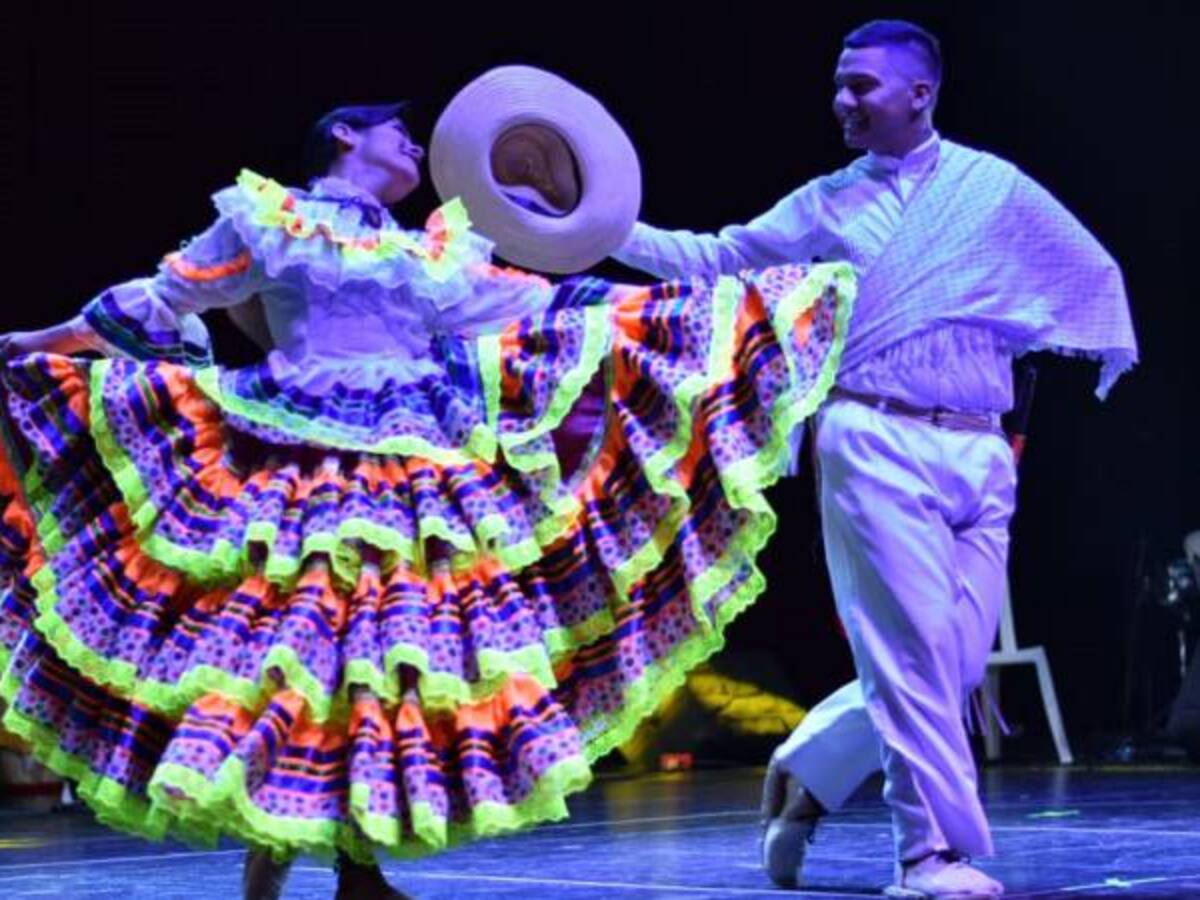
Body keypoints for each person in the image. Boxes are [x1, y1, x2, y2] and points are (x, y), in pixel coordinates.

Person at [0, 100, 853, 898]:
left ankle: (354, 869)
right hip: (304, 465)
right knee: (295, 660)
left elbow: (531, 303)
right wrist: (40, 341)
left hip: (414, 468)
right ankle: (273, 869)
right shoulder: (273, 220)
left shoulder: (428, 249)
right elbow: (167, 294)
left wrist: (683, 311)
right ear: (343, 136)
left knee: (382, 665)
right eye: (396, 130)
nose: (413, 144)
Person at [612, 19, 1137, 898]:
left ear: (919, 93)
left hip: (977, 445)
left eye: (861, 85)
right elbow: (717, 257)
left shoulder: (992, 189)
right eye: (838, 84)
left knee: (955, 664)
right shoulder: (829, 200)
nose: (842, 100)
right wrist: (598, 223)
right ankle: (926, 856)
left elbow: (1086, 277)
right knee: (910, 660)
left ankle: (807, 776)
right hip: (873, 435)